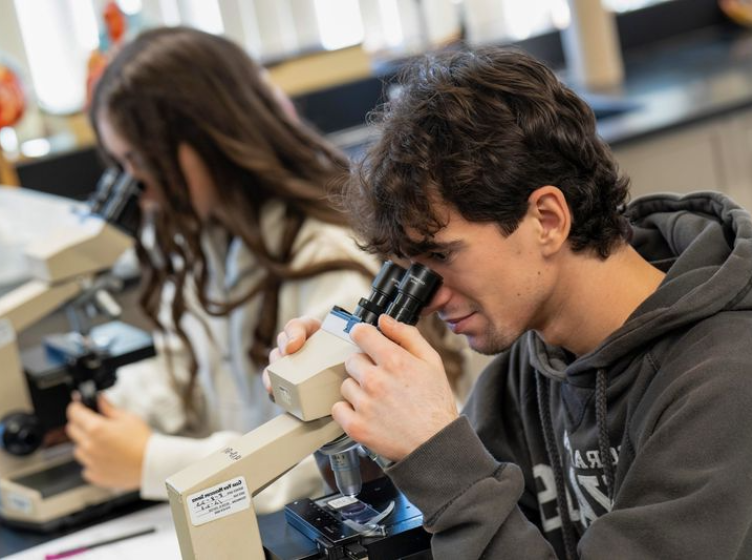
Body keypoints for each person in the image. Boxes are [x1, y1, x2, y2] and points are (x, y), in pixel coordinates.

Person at [271, 46, 752, 558]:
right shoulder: (534, 358)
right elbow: (448, 518)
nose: (430, 300)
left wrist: (437, 452)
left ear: (546, 219)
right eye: (414, 270)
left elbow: (463, 494)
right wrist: (347, 408)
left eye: (442, 255)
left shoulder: (725, 382)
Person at [63, 26, 383, 512]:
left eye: (141, 162)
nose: (139, 190)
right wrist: (102, 417)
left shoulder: (326, 259)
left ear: (209, 138)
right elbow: (184, 372)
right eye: (121, 166)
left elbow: (320, 467)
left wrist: (149, 461)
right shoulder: (202, 239)